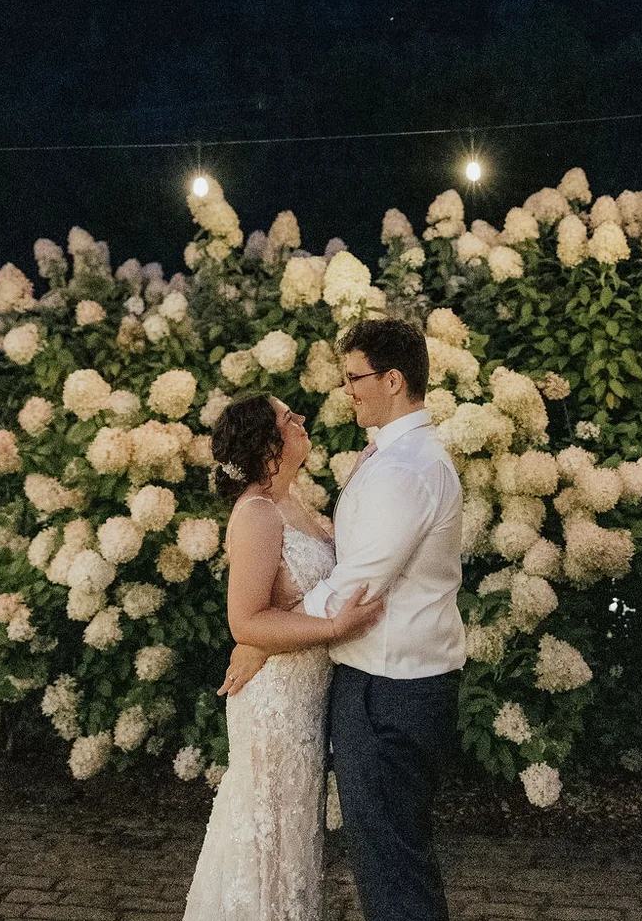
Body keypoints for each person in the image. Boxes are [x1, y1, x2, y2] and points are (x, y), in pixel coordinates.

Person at [222, 317, 466, 921]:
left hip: (389, 691)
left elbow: (355, 588)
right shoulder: (387, 460)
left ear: (392, 380)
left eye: (355, 377)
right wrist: (263, 628)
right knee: (390, 857)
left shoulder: (406, 469)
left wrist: (262, 635)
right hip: (368, 684)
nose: (345, 390)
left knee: (392, 864)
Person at [183, 392, 383, 921]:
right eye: (288, 417)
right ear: (266, 442)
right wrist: (334, 626)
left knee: (293, 837)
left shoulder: (295, 502)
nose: (302, 421)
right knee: (267, 837)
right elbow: (245, 620)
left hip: (305, 694)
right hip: (274, 700)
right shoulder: (255, 514)